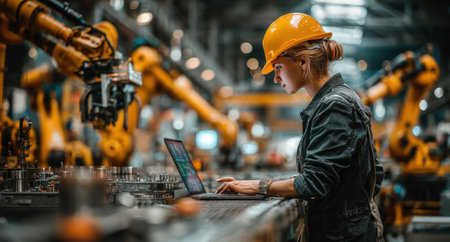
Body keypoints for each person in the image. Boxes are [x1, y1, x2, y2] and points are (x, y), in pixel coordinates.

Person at [216, 13, 384, 242]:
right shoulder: (339, 99)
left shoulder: (334, 105)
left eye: (278, 67)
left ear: (303, 62)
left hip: (341, 235)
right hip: (347, 229)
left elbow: (314, 183)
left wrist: (260, 185)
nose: (276, 78)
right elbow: (375, 172)